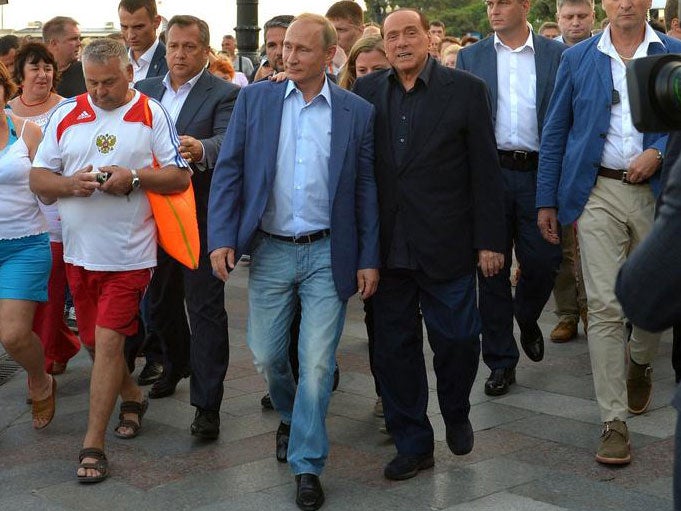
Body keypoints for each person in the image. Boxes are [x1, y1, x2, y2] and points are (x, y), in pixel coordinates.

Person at [208, 13, 379, 511]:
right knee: (265, 354)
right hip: (271, 248)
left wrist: (367, 257)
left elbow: (366, 188)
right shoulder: (256, 100)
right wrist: (222, 236)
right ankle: (292, 414)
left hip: (329, 251)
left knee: (320, 362)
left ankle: (308, 463)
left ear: (330, 55)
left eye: (303, 50)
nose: (289, 57)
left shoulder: (354, 111)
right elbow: (231, 171)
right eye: (286, 49)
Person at [353, 8, 505, 481]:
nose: (401, 43)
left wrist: (490, 241)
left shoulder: (466, 91)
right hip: (389, 248)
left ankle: (456, 410)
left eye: (410, 34)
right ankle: (413, 442)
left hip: (448, 243)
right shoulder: (366, 92)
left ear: (427, 40)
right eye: (392, 36)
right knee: (394, 352)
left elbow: (485, 171)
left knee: (459, 340)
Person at [29, 38, 190, 483]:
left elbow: (178, 176)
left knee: (108, 344)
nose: (99, 92)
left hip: (129, 256)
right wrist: (69, 184)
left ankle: (93, 444)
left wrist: (134, 177)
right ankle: (132, 395)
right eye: (93, 83)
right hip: (79, 256)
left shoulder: (151, 112)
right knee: (94, 346)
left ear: (129, 74)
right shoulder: (66, 113)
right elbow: (39, 178)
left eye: (109, 83)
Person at [536, 0, 681, 465]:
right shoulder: (577, 58)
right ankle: (613, 421)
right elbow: (556, 130)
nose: (624, 3)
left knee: (650, 303)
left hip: (659, 193)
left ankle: (640, 361)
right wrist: (547, 199)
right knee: (602, 305)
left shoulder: (673, 52)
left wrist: (657, 151)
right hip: (596, 189)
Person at [135, 15, 239, 438]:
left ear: (206, 51)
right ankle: (177, 361)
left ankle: (207, 404)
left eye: (189, 47)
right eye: (173, 46)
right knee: (157, 304)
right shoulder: (144, 90)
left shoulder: (226, 94)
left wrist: (201, 148)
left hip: (201, 218)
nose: (179, 54)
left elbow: (228, 141)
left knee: (205, 308)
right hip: (150, 217)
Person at [457, 0, 565, 397]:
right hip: (490, 175)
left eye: (503, 1)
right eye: (489, 3)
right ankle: (501, 361)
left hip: (541, 173)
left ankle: (528, 314)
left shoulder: (558, 55)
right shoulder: (471, 57)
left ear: (525, 5)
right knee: (491, 270)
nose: (494, 9)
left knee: (544, 260)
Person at [7, 43, 80, 376]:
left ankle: (48, 361)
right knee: (33, 300)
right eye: (35, 67)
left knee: (50, 296)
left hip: (55, 214)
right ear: (19, 76)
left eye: (48, 68)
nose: (43, 74)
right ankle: (62, 344)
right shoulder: (6, 111)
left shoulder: (68, 109)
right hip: (14, 215)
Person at [0, 61, 56, 430]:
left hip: (24, 245)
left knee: (14, 335)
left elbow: (50, 187)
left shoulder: (29, 132)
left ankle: (39, 376)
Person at [548, 0, 595, 343]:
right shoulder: (547, 57)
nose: (575, 23)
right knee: (563, 246)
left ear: (594, 16)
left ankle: (597, 311)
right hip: (558, 163)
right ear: (557, 19)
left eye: (582, 16)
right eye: (569, 17)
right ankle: (567, 312)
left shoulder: (604, 53)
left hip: (596, 164)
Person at [118, 0, 168, 84]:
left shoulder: (172, 65)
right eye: (124, 27)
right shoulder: (115, 60)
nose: (130, 35)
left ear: (157, 22)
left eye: (138, 27)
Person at [42, 16, 86, 97]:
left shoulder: (85, 71)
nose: (79, 43)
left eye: (79, 38)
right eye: (73, 39)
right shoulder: (35, 76)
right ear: (54, 44)